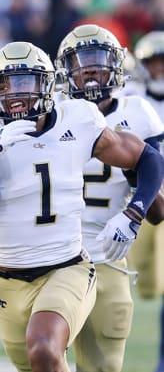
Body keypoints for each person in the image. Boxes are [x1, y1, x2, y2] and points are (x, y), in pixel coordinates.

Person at [0, 41, 164, 372]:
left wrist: (132, 213)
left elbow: (148, 158)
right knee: (40, 363)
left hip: (67, 267)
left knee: (44, 348)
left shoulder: (78, 119)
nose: (14, 93)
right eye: (4, 84)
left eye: (25, 82)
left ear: (46, 85)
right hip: (5, 279)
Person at [56, 24, 164, 372]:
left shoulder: (137, 111)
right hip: (51, 256)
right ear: (64, 69)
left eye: (99, 60)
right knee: (40, 356)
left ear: (117, 65)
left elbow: (159, 209)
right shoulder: (50, 111)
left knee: (104, 367)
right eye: (80, 61)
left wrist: (134, 207)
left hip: (108, 253)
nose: (90, 69)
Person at [134, 30, 164, 372]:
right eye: (153, 62)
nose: (158, 69)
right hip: (140, 193)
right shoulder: (131, 98)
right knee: (145, 286)